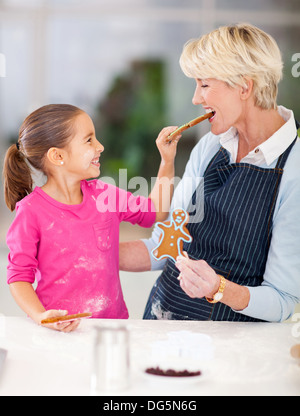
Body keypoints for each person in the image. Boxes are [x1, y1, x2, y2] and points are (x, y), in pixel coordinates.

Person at [120, 23, 300, 322]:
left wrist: (219, 289)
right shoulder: (209, 146)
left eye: (204, 85)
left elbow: (281, 302)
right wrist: (84, 249)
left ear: (245, 86)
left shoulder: (294, 169)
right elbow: (164, 246)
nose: (195, 98)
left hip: (232, 352)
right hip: (161, 321)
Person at [3, 104, 181, 331]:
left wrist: (167, 161)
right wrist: (42, 316)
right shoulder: (30, 211)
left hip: (111, 330)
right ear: (58, 156)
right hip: (58, 333)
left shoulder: (106, 195)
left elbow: (155, 211)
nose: (100, 146)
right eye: (89, 140)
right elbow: (19, 277)